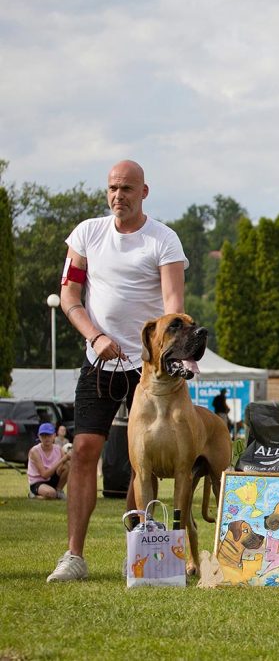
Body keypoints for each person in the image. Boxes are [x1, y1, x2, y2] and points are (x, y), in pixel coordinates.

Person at [47, 160, 187, 583]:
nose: (117, 196)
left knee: (143, 460)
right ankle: (74, 556)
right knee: (86, 449)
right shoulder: (87, 234)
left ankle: (140, 550)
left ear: (144, 192)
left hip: (150, 370)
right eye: (112, 188)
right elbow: (69, 294)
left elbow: (173, 305)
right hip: (99, 360)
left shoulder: (164, 239)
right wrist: (94, 336)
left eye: (127, 188)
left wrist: (168, 358)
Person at [27, 423, 70, 499]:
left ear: (54, 436)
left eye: (49, 435)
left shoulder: (58, 449)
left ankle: (59, 490)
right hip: (38, 481)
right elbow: (44, 475)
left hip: (52, 478)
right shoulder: (34, 451)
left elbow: (69, 466)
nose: (46, 438)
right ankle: (34, 495)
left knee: (67, 466)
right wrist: (62, 460)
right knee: (50, 494)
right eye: (43, 435)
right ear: (39, 436)